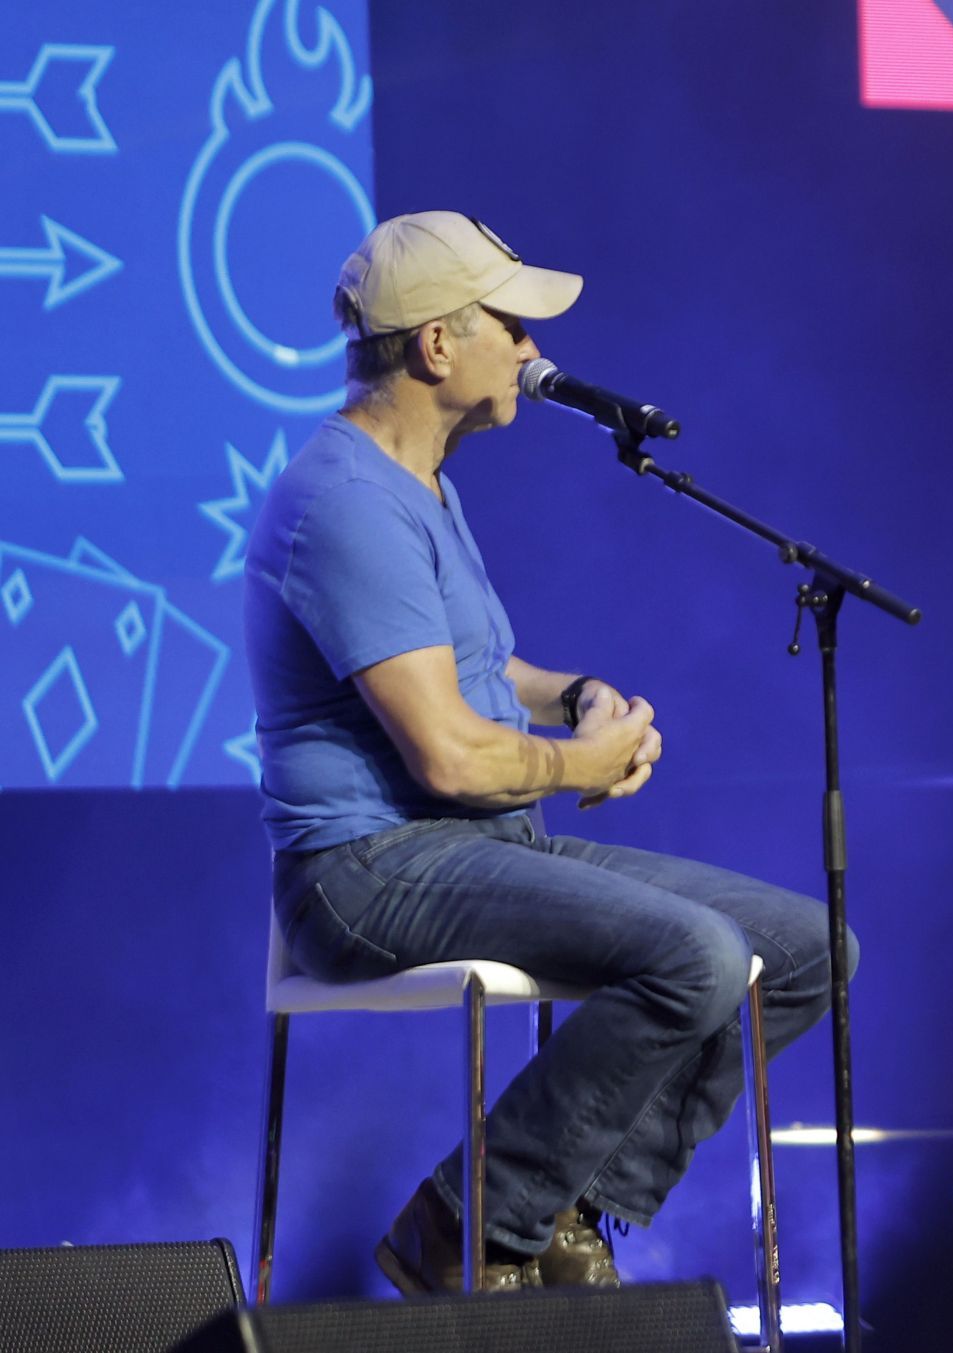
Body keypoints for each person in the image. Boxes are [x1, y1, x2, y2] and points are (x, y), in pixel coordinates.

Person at [243, 211, 851, 1293]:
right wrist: (582, 765)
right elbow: (447, 753)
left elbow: (471, 666)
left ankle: (557, 1209)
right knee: (698, 956)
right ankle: (469, 1222)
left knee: (809, 952)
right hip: (370, 869)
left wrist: (571, 697)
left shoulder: (424, 483)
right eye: (512, 327)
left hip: (479, 845)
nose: (534, 351)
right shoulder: (343, 503)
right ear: (437, 344)